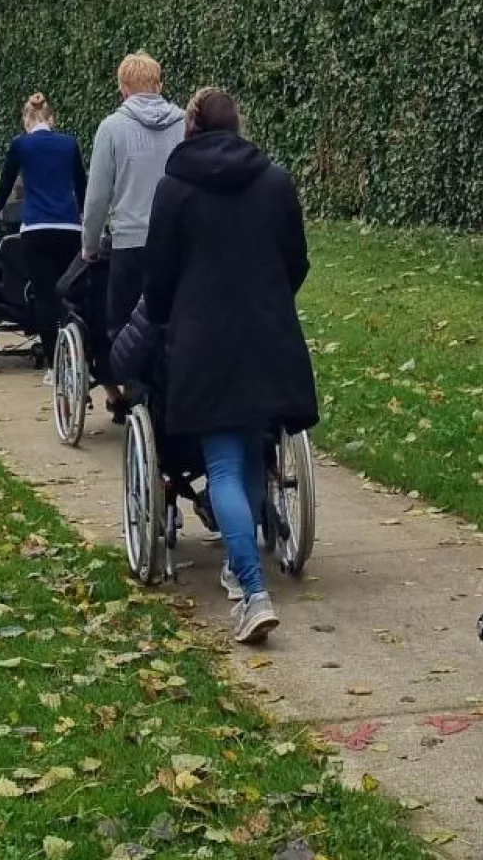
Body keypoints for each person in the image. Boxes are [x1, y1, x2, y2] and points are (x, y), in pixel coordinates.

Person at [142, 88, 316, 644]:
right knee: (250, 449)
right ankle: (242, 572)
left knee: (221, 467)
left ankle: (251, 587)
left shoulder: (174, 191)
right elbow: (296, 260)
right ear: (240, 125)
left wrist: (173, 320)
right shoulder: (275, 182)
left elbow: (158, 280)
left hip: (205, 342)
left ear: (191, 127)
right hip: (267, 336)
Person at [81, 52, 187, 414]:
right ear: (160, 84)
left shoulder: (112, 128)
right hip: (176, 241)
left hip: (129, 241)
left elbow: (97, 197)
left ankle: (136, 395)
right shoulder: (183, 124)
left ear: (123, 88)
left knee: (126, 325)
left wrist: (89, 245)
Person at [0, 93, 88, 382]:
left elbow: (6, 181)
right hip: (69, 226)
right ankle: (74, 348)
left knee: (44, 295)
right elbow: (81, 184)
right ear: (51, 118)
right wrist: (85, 214)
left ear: (26, 120)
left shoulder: (21, 145)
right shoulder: (69, 144)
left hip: (35, 227)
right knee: (68, 292)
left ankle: (52, 364)